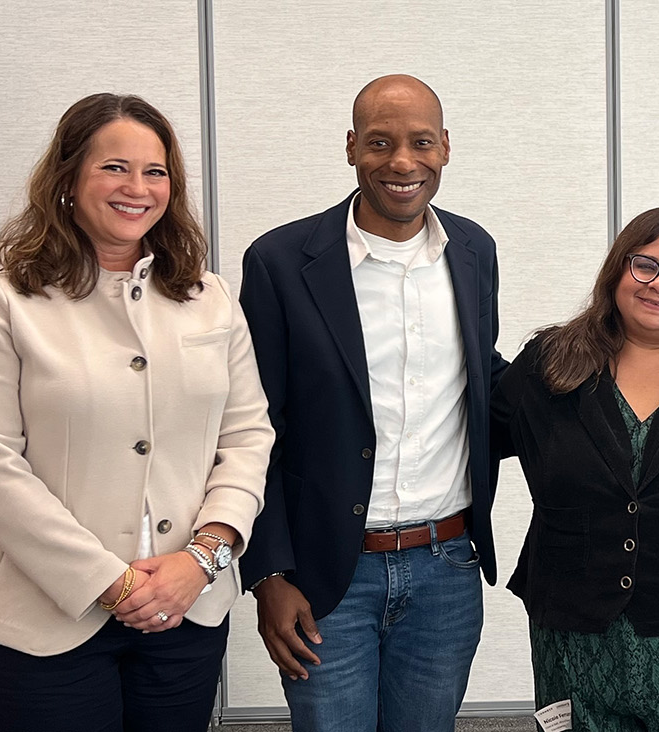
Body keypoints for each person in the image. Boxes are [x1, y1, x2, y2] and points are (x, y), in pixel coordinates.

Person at [0, 93, 273, 732]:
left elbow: (247, 436)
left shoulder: (210, 299)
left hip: (185, 610)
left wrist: (203, 558)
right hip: (42, 624)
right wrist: (107, 583)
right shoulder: (1, 303)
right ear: (67, 180)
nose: (137, 188)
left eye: (156, 172)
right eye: (114, 167)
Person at [236, 74, 505, 732]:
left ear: (445, 148)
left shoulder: (473, 251)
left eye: (420, 143)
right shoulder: (278, 261)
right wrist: (268, 571)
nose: (402, 162)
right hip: (329, 575)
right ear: (352, 147)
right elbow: (251, 426)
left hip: (447, 569)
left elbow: (486, 382)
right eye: (380, 142)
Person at [491, 207, 659, 731]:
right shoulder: (548, 364)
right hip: (574, 624)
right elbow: (470, 441)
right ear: (618, 268)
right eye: (646, 265)